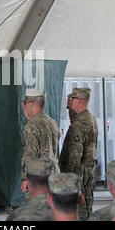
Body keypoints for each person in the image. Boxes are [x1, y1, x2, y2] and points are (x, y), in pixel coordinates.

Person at [58, 87, 98, 221]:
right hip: (88, 169)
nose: (70, 101)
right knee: (87, 202)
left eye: (72, 99)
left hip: (78, 172)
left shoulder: (78, 124)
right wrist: (69, 107)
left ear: (80, 101)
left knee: (77, 207)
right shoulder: (90, 118)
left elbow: (75, 154)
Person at [21, 90, 60, 194]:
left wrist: (26, 178)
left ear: (31, 104)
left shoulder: (31, 126)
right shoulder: (52, 122)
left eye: (25, 104)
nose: (24, 107)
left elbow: (30, 154)